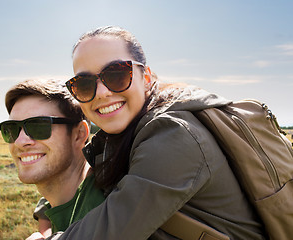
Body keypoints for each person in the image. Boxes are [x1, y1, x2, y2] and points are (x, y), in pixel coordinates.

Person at [37, 26, 267, 240]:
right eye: (85, 84)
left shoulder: (175, 135)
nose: (102, 92)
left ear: (145, 78)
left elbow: (111, 230)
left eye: (117, 74)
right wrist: (45, 213)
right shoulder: (123, 136)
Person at [0, 78, 105, 238]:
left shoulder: (106, 211)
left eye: (39, 126)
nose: (20, 142)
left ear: (79, 134)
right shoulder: (62, 203)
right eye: (12, 129)